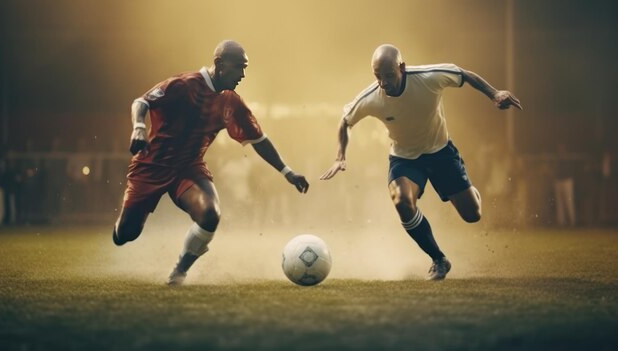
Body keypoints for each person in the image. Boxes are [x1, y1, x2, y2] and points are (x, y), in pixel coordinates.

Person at [113, 40, 309, 285]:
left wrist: (287, 172)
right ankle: (124, 227)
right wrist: (139, 128)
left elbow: (259, 139)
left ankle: (179, 272)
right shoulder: (184, 85)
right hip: (151, 166)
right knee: (125, 235)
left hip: (188, 168)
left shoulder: (231, 102)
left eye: (245, 68)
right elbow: (141, 102)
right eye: (239, 67)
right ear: (219, 64)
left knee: (210, 214)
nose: (242, 75)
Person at [320, 44, 521, 280]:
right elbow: (345, 121)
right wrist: (340, 156)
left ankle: (468, 191)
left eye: (388, 75)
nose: (383, 83)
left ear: (402, 68)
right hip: (404, 159)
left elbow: (463, 74)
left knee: (472, 214)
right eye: (377, 76)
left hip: (441, 153)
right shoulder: (371, 97)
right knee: (401, 201)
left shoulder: (428, 77)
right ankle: (439, 259)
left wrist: (494, 93)